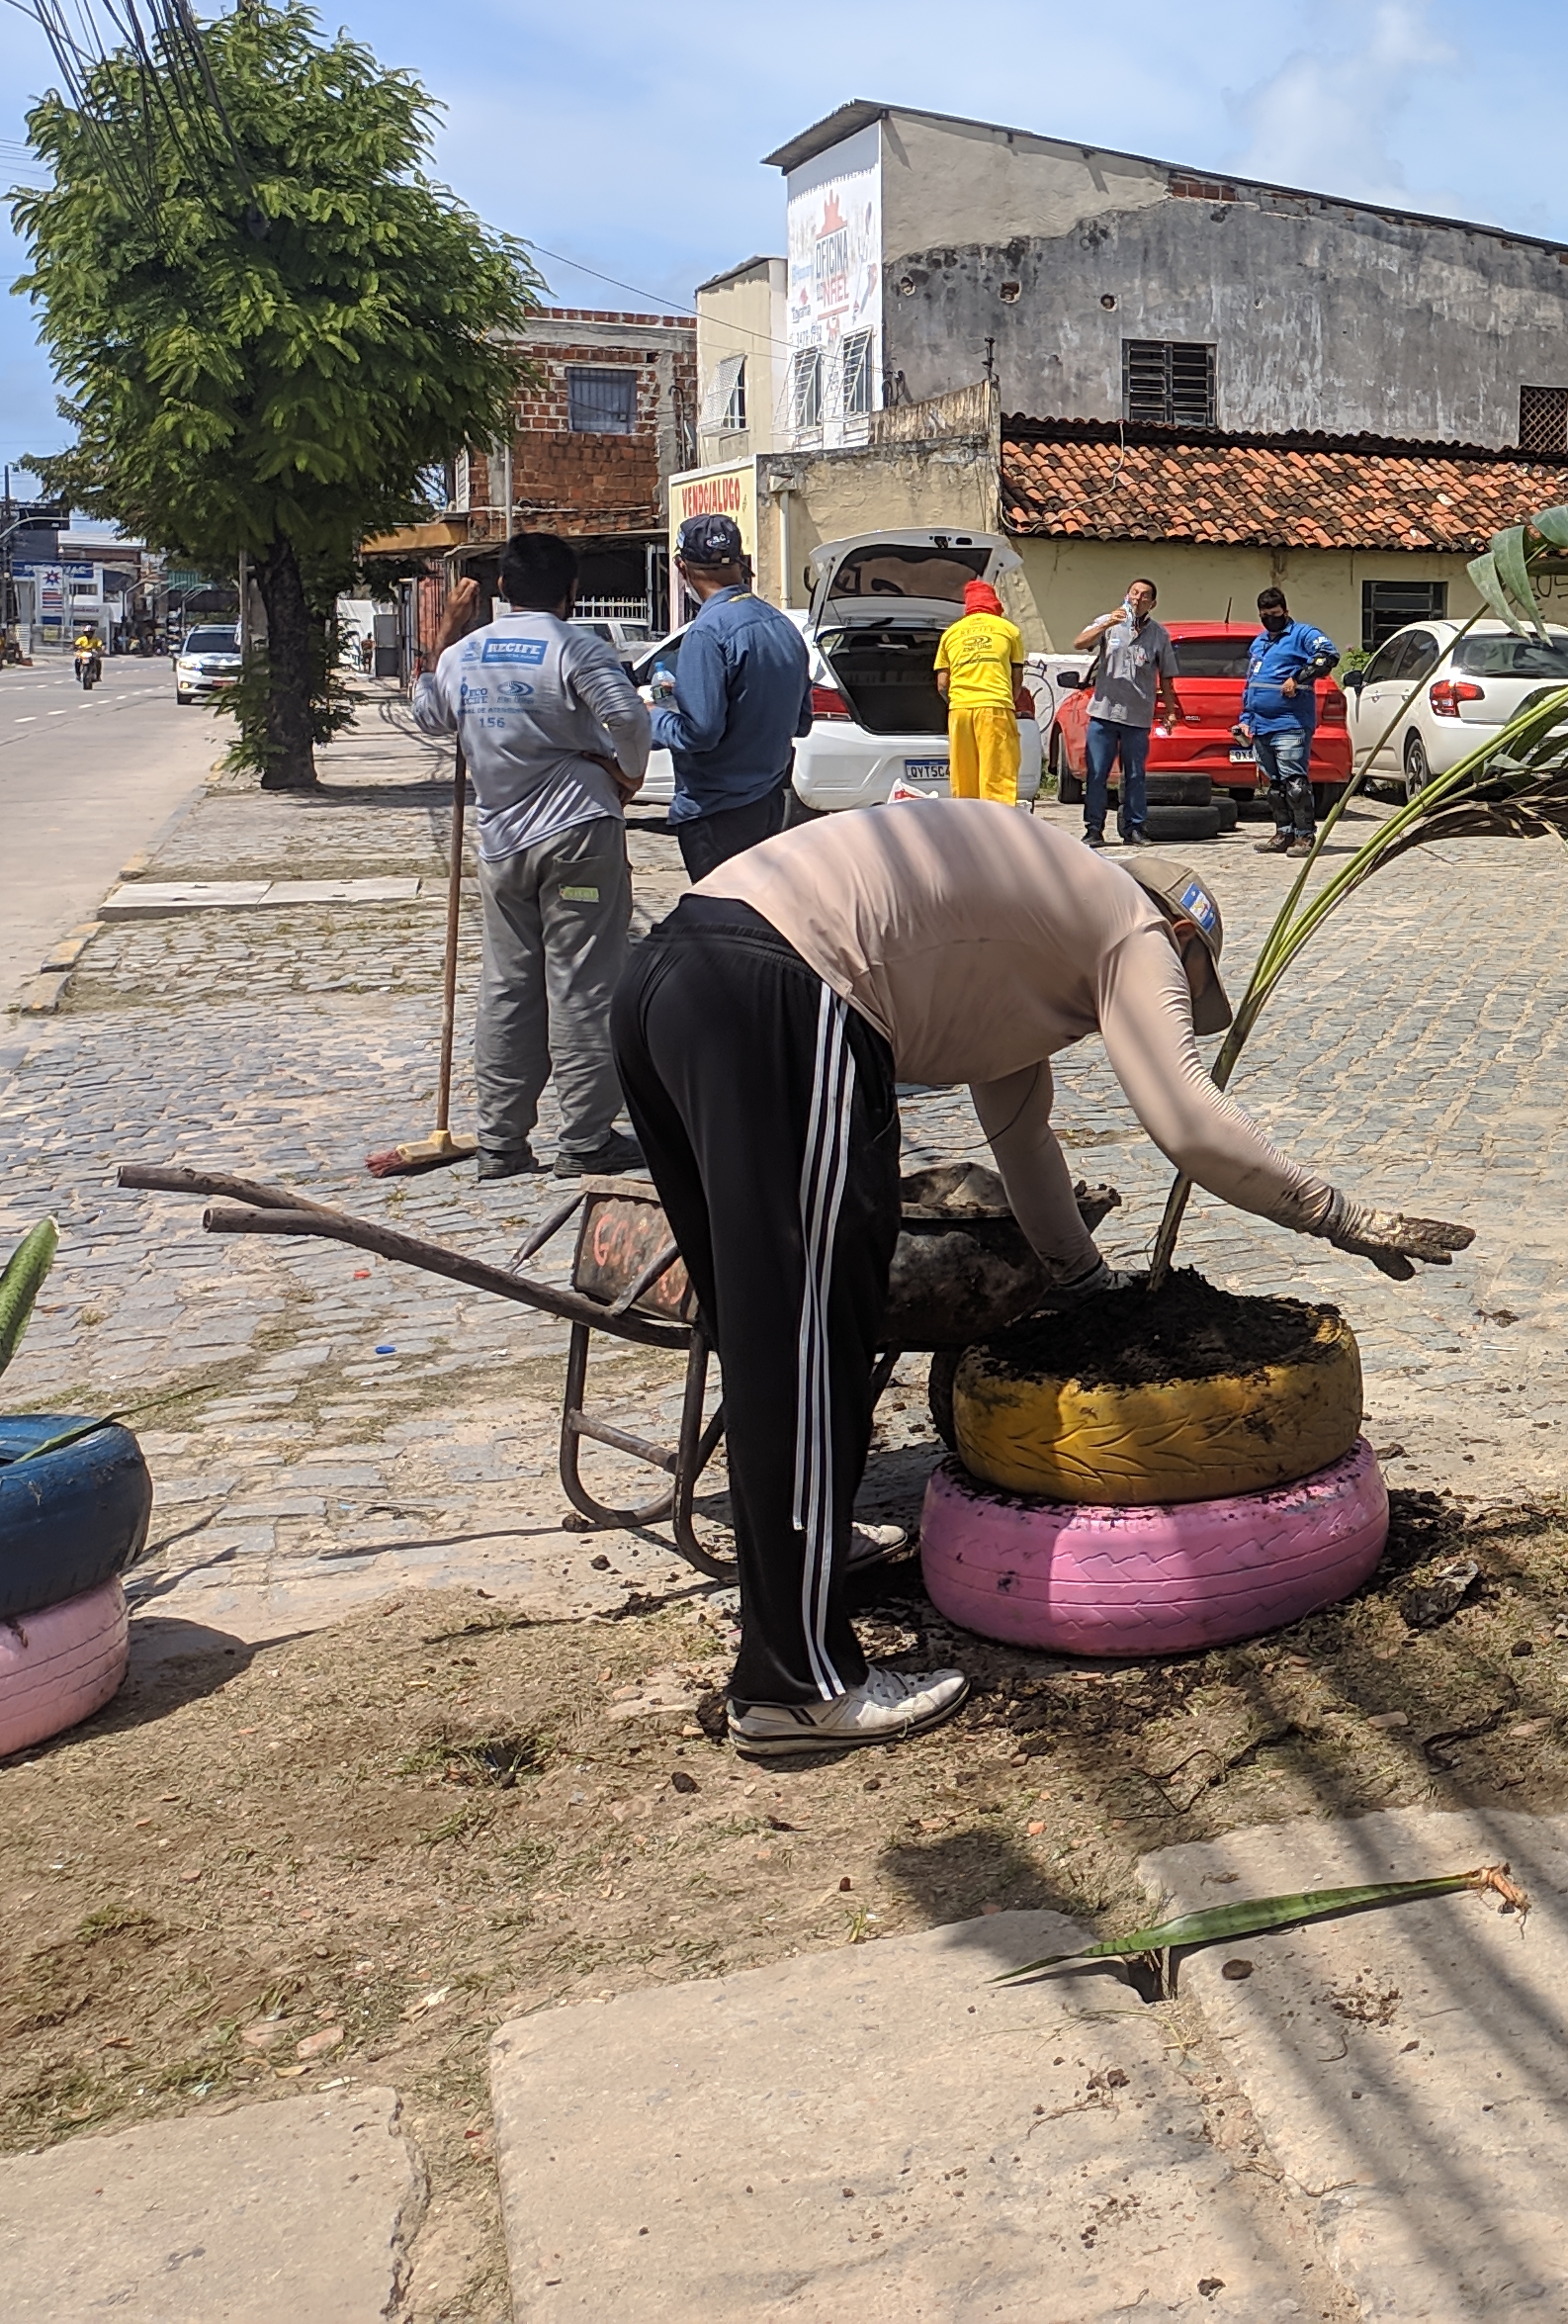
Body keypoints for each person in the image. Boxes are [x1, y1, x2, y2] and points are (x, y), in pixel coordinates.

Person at [614, 802, 1478, 1749]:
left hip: (667, 976)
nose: (1177, 1001)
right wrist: (1335, 1213)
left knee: (763, 1323)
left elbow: (1023, 1142)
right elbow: (1188, 1120)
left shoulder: (1023, 937)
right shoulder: (1138, 924)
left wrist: (1081, 1282)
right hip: (782, 986)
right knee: (811, 1336)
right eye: (1190, 986)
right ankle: (795, 1684)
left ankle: (801, 1555)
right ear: (1185, 939)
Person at [412, 530, 653, 1180]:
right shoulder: (577, 646)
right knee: (583, 981)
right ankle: (583, 1140)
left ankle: (500, 1141)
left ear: (502, 590)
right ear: (572, 593)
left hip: (502, 845)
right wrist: (626, 776)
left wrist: (442, 635)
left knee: (507, 986)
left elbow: (429, 714)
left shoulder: (464, 656)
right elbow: (628, 718)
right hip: (577, 837)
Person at [653, 512, 811, 881]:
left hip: (716, 812)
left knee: (719, 921)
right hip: (768, 802)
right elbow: (801, 721)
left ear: (681, 566)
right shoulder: (781, 625)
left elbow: (700, 732)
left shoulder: (707, 634)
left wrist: (652, 717)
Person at [1071, 577, 1184, 847]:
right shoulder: (1109, 623)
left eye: (1144, 596)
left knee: (1135, 775)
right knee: (1097, 773)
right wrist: (1107, 623)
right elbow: (1079, 642)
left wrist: (1170, 711)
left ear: (1152, 603)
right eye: (1134, 593)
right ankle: (1094, 828)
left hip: (1137, 716)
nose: (1137, 598)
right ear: (1126, 595)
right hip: (1104, 713)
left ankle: (1134, 828)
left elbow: (1167, 677)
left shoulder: (1158, 635)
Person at [1241, 585, 1341, 851]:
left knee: (1294, 783)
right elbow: (1251, 682)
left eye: (1274, 613)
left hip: (1290, 722)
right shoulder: (1260, 642)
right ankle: (1283, 832)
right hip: (1260, 723)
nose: (1269, 618)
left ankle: (1305, 835)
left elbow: (1328, 657)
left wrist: (1298, 678)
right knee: (1274, 786)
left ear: (1285, 611)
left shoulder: (1303, 634)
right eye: (1264, 614)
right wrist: (1245, 718)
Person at [933, 581, 1028, 806]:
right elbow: (1017, 676)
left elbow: (942, 683)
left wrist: (957, 701)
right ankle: (998, 826)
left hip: (960, 711)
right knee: (998, 773)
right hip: (995, 706)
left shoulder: (951, 633)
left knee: (963, 774)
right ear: (994, 602)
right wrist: (1010, 700)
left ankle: (968, 824)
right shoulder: (1008, 629)